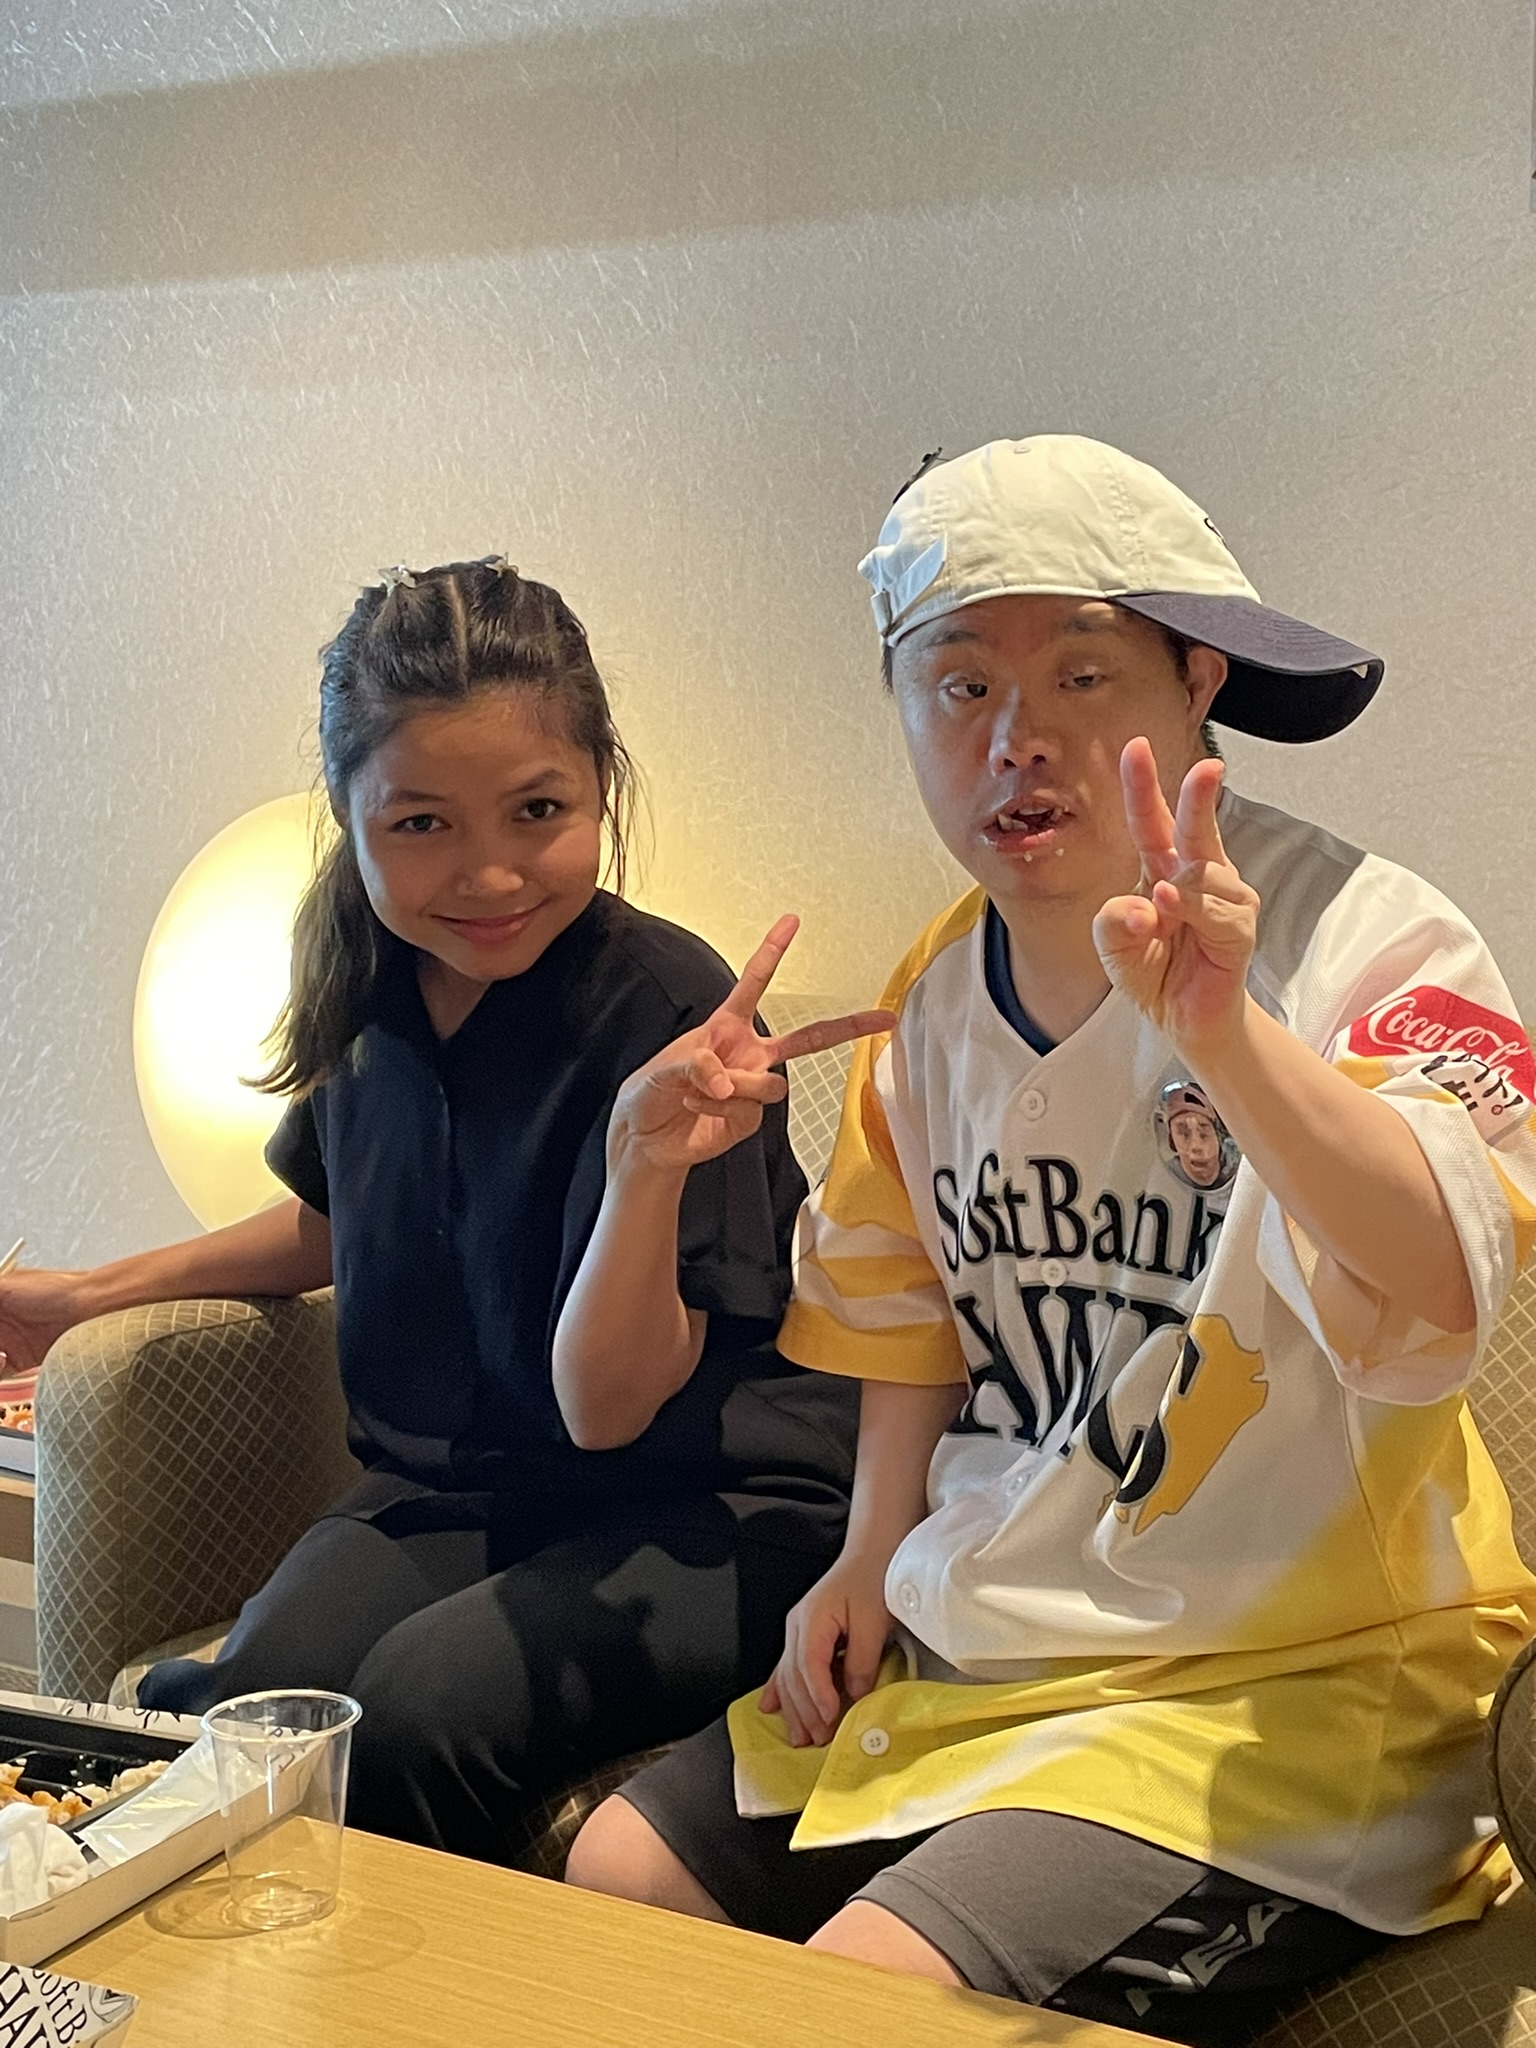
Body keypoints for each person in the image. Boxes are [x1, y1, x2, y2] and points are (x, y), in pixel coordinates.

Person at [566, 438, 1536, 2045]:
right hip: (999, 1647)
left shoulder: (1371, 935)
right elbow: (908, 1320)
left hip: (1289, 1685)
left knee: (862, 1999)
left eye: (1082, 676)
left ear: (1197, 681)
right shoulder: (933, 998)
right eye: (959, 688)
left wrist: (1230, 1040)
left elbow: (1443, 1282)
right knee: (615, 1879)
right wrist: (866, 1557)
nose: (1017, 739)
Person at [0, 557, 881, 1864]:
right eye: (421, 824)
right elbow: (336, 1219)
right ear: (347, 815)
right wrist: (83, 1298)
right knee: (250, 1709)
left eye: (538, 811)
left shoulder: (673, 1022)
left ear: (601, 789)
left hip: (712, 1504)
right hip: (460, 1488)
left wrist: (642, 1167)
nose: (490, 874)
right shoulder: (370, 984)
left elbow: (617, 1405)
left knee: (417, 1716)